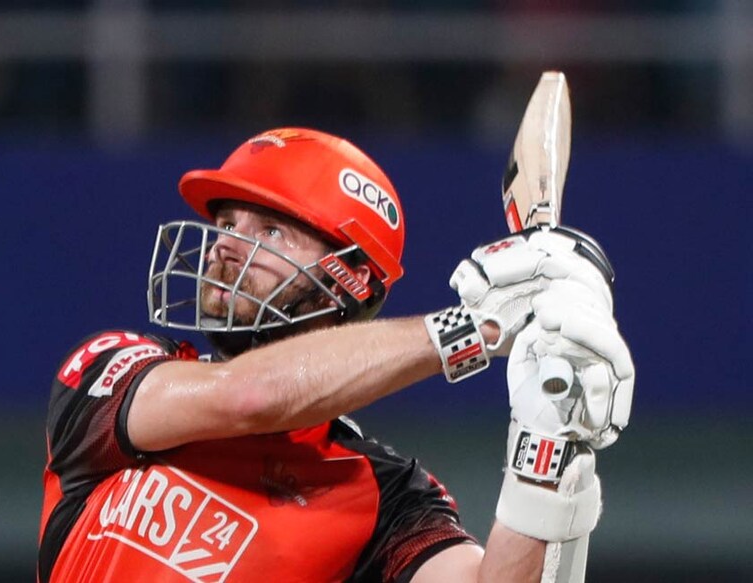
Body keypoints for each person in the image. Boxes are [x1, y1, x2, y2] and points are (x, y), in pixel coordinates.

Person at [38, 127, 634, 583]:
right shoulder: (112, 366)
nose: (224, 245)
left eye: (268, 231)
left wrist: (547, 436)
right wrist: (474, 327)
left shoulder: (383, 492)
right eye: (226, 220)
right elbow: (251, 397)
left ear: (347, 277)